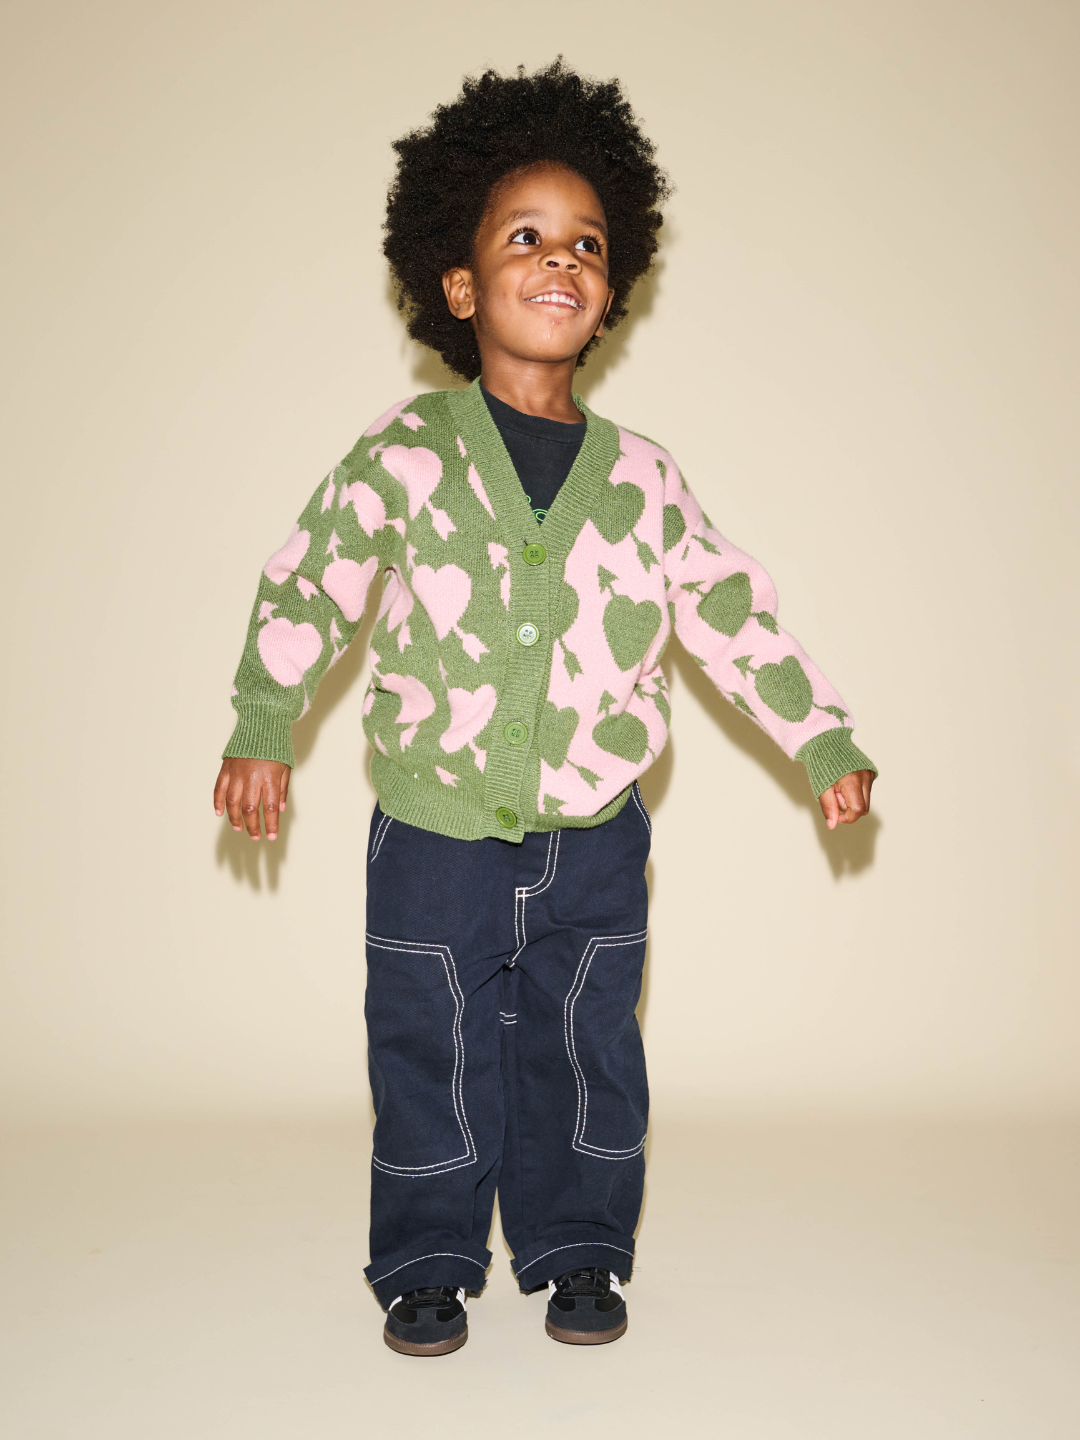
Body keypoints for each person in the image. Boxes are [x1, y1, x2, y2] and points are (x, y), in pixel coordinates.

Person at [213, 61, 876, 1357]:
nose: (560, 258)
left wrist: (820, 740)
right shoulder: (405, 455)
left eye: (587, 241)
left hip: (594, 835)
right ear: (460, 285)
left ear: (609, 289)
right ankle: (428, 1258)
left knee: (585, 1048)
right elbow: (313, 576)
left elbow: (730, 611)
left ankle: (579, 1249)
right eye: (525, 235)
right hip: (434, 831)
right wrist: (261, 720)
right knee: (430, 1044)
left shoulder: (642, 480)